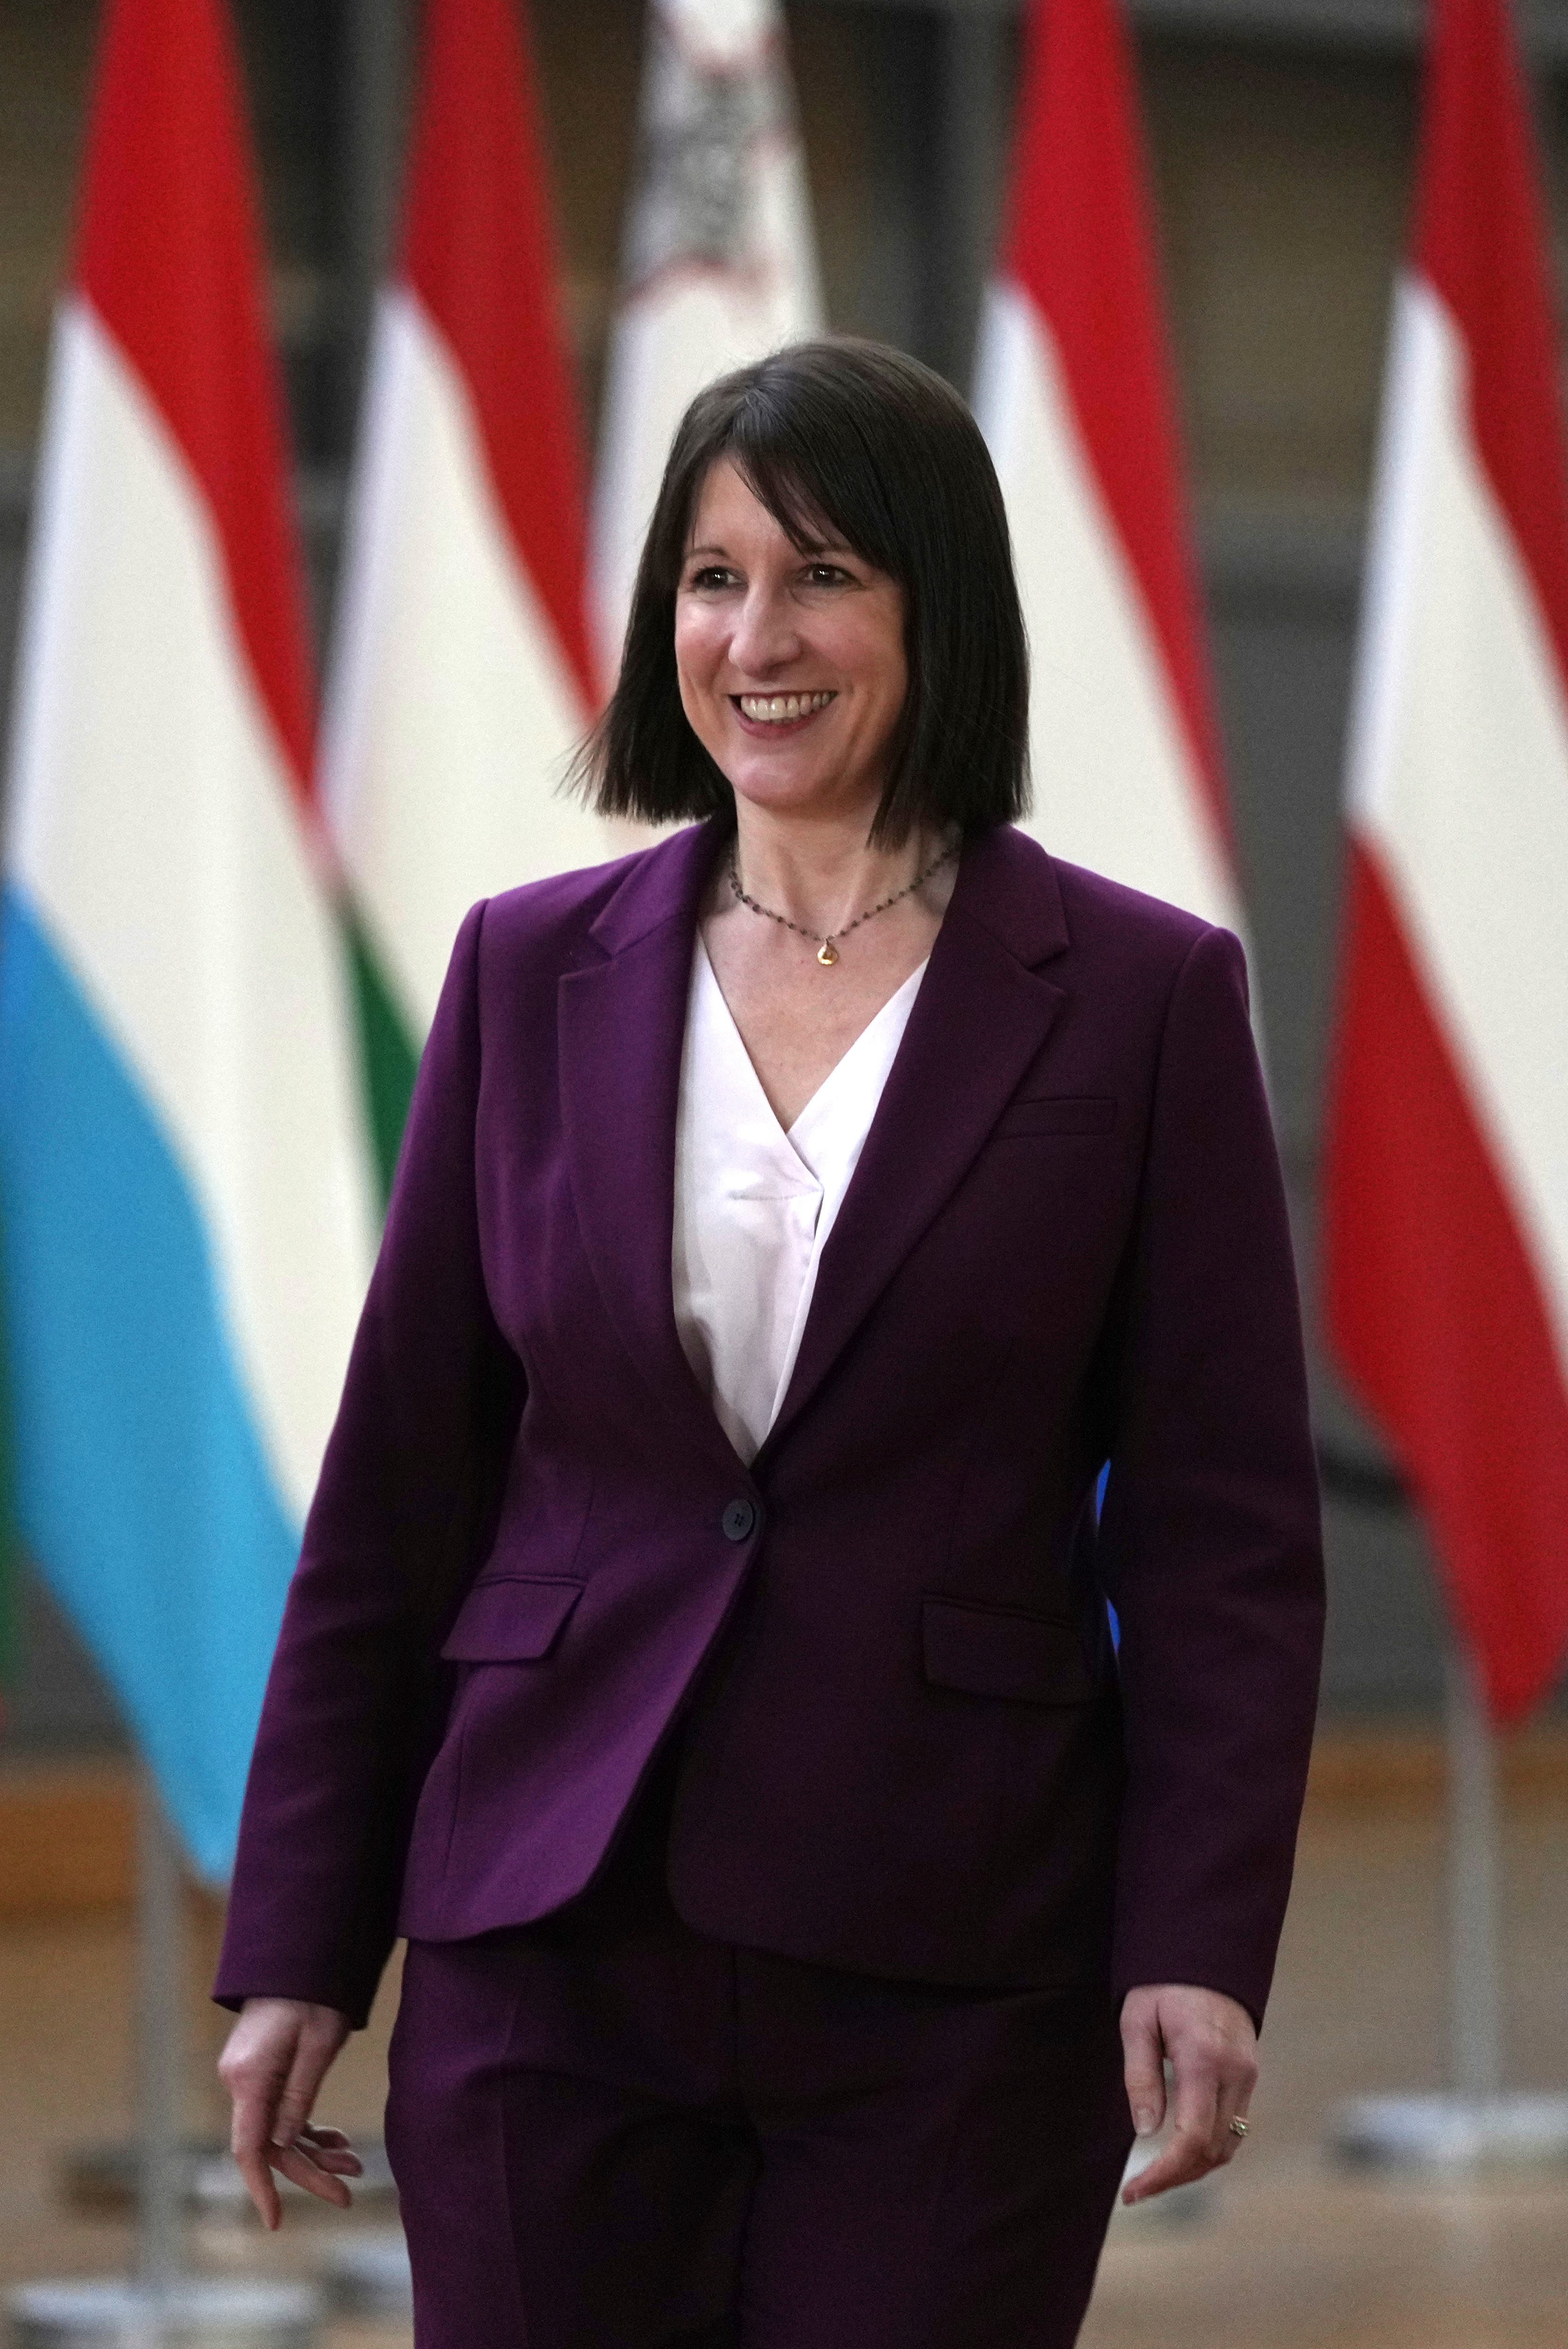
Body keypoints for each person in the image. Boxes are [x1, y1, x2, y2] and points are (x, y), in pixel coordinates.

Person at [210, 337, 1324, 2347]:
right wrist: (300, 1935)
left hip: (953, 1954)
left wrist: (1199, 1936)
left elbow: (1222, 1535)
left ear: (938, 611)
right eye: (714, 579)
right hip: (544, 1938)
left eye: (822, 575)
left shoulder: (1144, 998)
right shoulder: (528, 968)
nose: (758, 636)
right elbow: (398, 1493)